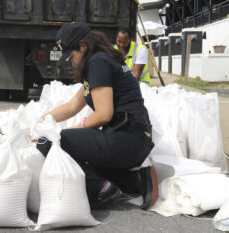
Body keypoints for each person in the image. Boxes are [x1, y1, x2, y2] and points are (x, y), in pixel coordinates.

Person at [35, 22, 158, 210]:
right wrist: (41, 122)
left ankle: (101, 190)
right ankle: (137, 181)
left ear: (82, 46)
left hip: (127, 137)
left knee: (50, 142)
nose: (71, 61)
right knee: (83, 163)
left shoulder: (98, 62)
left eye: (72, 55)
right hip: (134, 139)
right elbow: (73, 106)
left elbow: (103, 115)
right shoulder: (103, 60)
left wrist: (60, 133)